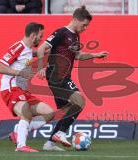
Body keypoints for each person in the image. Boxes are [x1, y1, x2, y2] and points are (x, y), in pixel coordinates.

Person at [37, 5, 108, 151]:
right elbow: (41, 48)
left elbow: (79, 56)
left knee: (66, 111)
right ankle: (61, 133)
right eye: (84, 25)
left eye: (87, 26)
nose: (85, 28)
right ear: (75, 19)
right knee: (80, 101)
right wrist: (40, 68)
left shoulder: (75, 36)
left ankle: (49, 143)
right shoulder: (61, 32)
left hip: (63, 77)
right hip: (57, 76)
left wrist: (95, 55)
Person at [0, 22, 55, 152]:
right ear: (33, 35)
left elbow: (34, 53)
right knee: (26, 113)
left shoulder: (28, 50)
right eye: (40, 36)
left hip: (22, 90)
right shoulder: (18, 47)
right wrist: (20, 73)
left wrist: (59, 49)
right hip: (11, 88)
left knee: (49, 113)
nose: (41, 39)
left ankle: (18, 132)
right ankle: (21, 145)